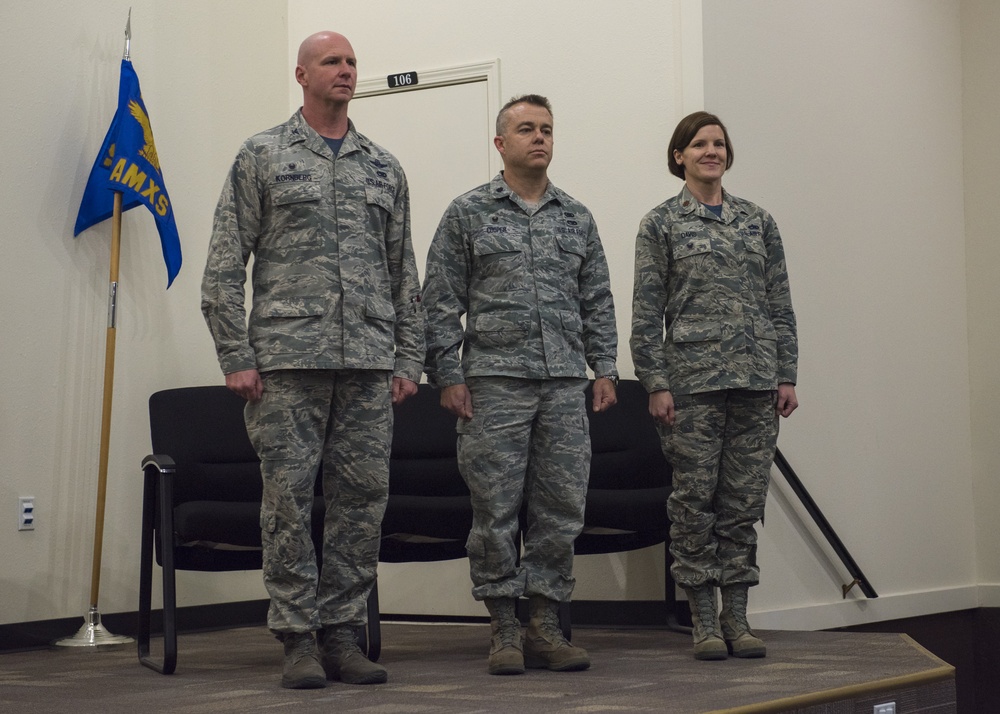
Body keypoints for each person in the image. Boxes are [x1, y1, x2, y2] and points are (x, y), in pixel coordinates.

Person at [201, 31, 425, 689]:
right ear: (301, 75)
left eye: (353, 62)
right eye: (333, 61)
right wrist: (235, 354)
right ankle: (297, 637)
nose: (346, 70)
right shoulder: (263, 155)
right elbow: (222, 264)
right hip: (285, 364)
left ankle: (342, 634)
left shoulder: (383, 167)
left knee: (362, 500)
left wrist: (407, 357)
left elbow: (400, 271)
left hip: (367, 366)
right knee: (289, 501)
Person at [422, 94, 619, 676]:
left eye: (548, 130)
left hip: (562, 383)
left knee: (561, 509)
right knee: (496, 509)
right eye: (527, 129)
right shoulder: (468, 213)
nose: (540, 138)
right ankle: (504, 626)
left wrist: (603, 367)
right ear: (500, 143)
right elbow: (438, 300)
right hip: (493, 386)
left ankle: (545, 624)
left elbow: (597, 298)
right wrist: (447, 375)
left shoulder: (575, 216)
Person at [630, 111, 798, 661]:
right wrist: (655, 383)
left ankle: (738, 619)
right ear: (679, 155)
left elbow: (779, 305)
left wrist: (786, 374)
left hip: (755, 383)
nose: (711, 152)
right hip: (692, 387)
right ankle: (703, 620)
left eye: (719, 143)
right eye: (698, 144)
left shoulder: (758, 221)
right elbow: (646, 310)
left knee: (743, 504)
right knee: (694, 503)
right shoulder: (661, 224)